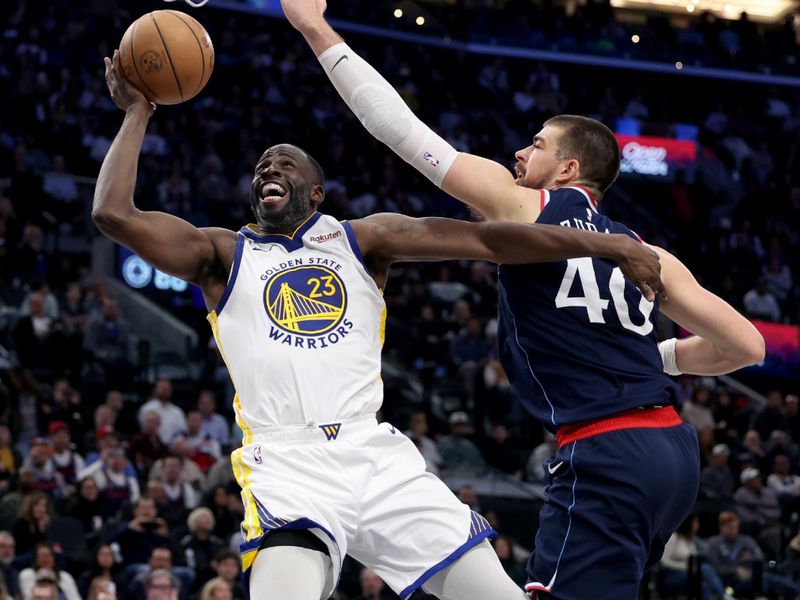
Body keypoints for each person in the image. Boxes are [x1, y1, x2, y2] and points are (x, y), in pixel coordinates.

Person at [95, 49, 665, 600]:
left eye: (285, 163)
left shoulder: (362, 239)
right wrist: (138, 111)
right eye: (262, 165)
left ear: (315, 193)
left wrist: (605, 245)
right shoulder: (222, 253)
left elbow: (489, 240)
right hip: (288, 464)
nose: (269, 168)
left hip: (374, 453)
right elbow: (114, 214)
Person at [281, 3, 767, 598]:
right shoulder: (646, 252)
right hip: (673, 455)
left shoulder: (529, 209)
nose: (519, 154)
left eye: (535, 145)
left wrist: (314, 27)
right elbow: (747, 346)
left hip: (604, 450)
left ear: (566, 168)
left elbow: (402, 132)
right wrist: (658, 357)